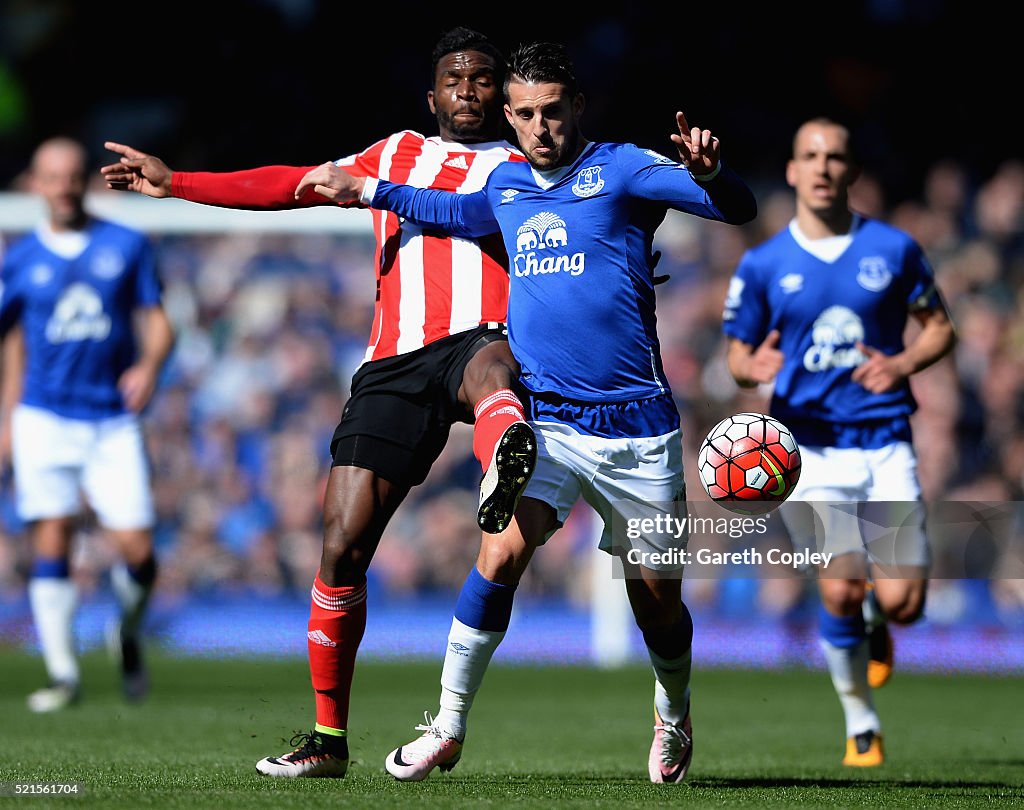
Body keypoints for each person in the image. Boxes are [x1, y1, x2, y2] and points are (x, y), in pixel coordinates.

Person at [301, 40, 756, 783]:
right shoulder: (509, 187)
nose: (540, 127)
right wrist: (368, 189)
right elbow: (444, 207)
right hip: (549, 420)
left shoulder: (624, 168)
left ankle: (673, 714)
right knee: (500, 555)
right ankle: (446, 726)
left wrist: (710, 173)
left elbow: (733, 208)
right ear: (509, 119)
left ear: (576, 106)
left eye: (552, 111)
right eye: (526, 115)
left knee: (657, 608)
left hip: (638, 429)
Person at [101, 27, 538, 778]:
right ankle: (328, 740)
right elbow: (288, 184)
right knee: (340, 546)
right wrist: (176, 183)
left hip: (485, 337)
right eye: (455, 79)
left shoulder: (532, 165)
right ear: (430, 95)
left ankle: (505, 450)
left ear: (503, 95)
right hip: (394, 361)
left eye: (484, 79)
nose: (469, 91)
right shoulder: (392, 153)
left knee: (494, 368)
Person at [720, 117, 956, 766]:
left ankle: (883, 625)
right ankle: (861, 722)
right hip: (811, 450)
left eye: (836, 157)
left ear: (851, 172)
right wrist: (752, 368)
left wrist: (903, 364)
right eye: (810, 156)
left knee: (904, 602)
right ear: (793, 171)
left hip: (884, 441)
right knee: (839, 588)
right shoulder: (765, 264)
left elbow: (940, 329)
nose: (823, 167)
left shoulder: (894, 249)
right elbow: (738, 352)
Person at [0, 136, 174, 712]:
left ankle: (126, 631)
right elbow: (10, 338)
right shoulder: (20, 259)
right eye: (53, 177)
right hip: (43, 416)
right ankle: (62, 674)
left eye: (73, 175)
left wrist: (148, 366)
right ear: (37, 184)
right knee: (51, 535)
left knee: (139, 551)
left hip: (109, 419)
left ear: (86, 179)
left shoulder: (124, 244)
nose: (64, 186)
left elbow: (157, 321)